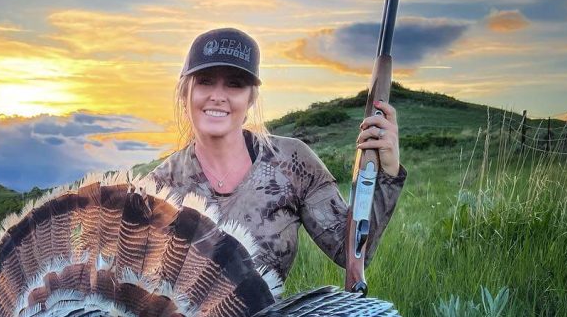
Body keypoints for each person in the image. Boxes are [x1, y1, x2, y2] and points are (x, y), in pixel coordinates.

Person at [149, 27, 405, 297]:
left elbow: (349, 251)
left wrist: (388, 172)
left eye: (235, 84)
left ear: (251, 99)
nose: (218, 95)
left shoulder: (293, 162)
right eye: (205, 81)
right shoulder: (158, 187)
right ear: (184, 91)